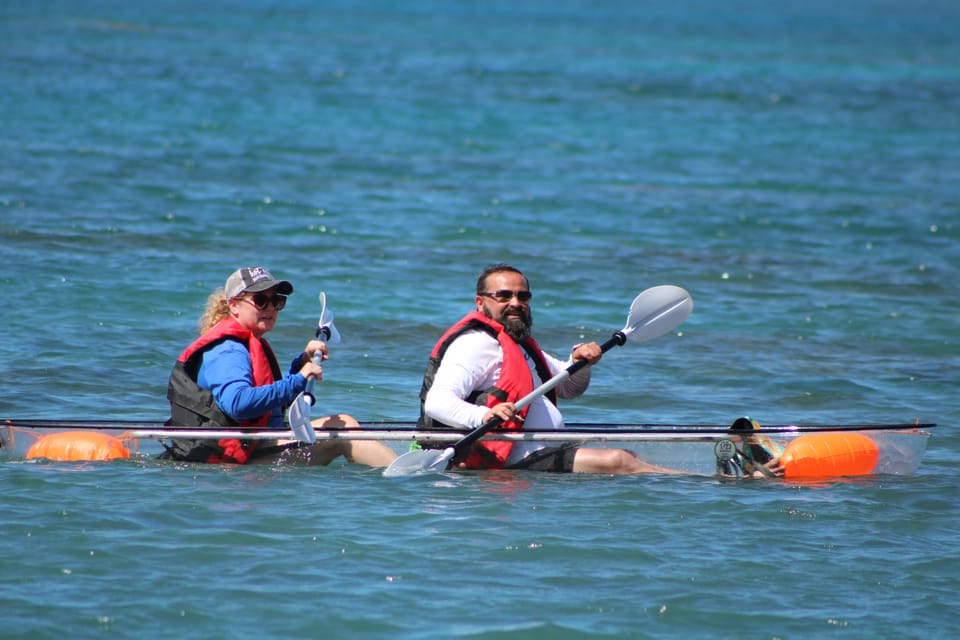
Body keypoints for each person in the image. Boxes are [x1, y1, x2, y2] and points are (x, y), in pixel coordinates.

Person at [419, 263, 783, 477]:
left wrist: (581, 361)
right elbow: (438, 403)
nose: (515, 303)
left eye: (523, 296)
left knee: (630, 459)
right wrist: (485, 413)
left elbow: (570, 387)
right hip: (501, 455)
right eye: (504, 296)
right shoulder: (475, 344)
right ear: (481, 303)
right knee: (618, 460)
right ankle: (717, 484)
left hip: (536, 450)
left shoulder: (517, 346)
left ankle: (718, 474)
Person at [163, 266, 396, 468]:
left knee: (341, 424)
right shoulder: (228, 350)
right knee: (342, 428)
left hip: (252, 447)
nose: (271, 308)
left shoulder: (246, 342)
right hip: (232, 460)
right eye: (260, 301)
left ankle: (399, 470)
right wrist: (297, 380)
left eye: (277, 301)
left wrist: (300, 365)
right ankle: (407, 476)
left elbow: (270, 406)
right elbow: (238, 404)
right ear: (233, 306)